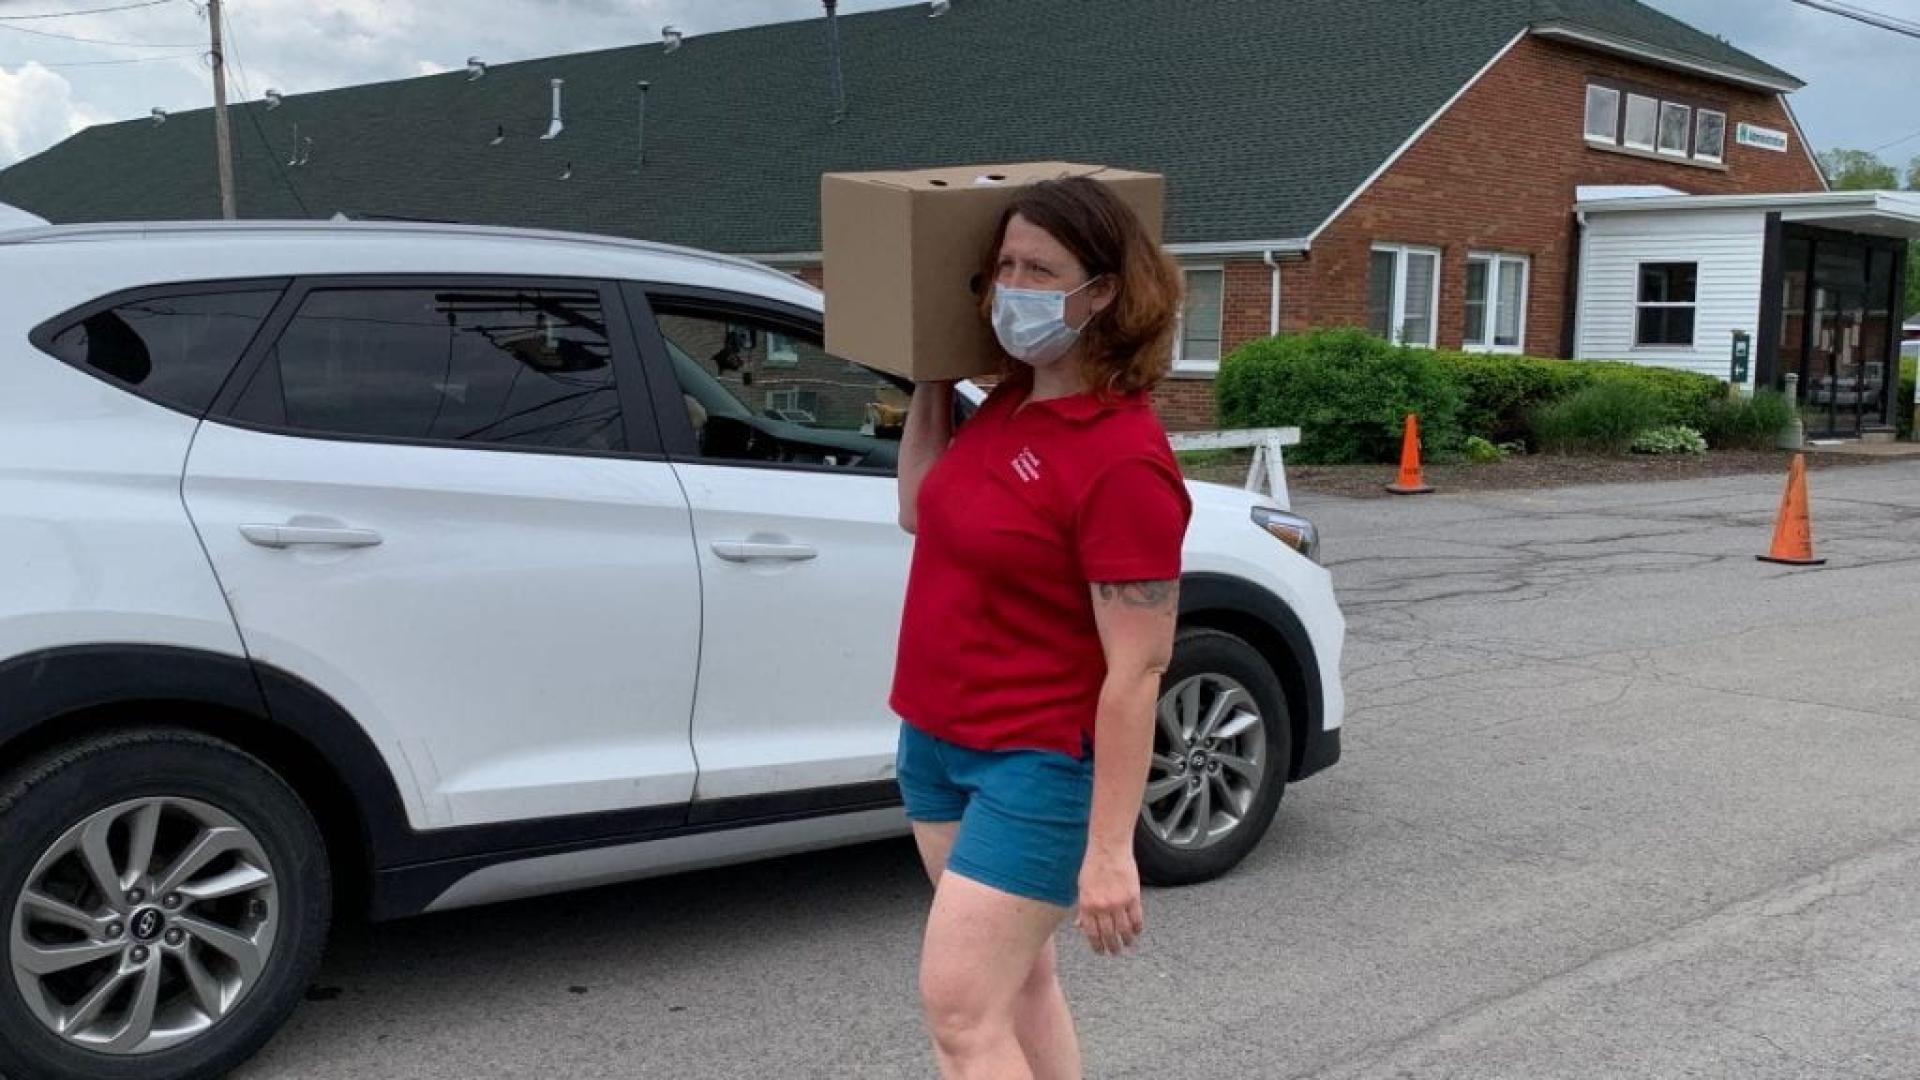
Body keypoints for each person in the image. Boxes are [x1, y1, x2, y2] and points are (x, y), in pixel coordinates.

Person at [891, 177, 1191, 1080]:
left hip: (1035, 765)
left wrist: (1110, 850)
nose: (1012, 287)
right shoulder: (1010, 403)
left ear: (1102, 292)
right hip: (935, 741)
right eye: (1004, 267)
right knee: (1021, 982)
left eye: (1039, 270)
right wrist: (932, 379)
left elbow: (1139, 670)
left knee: (961, 1014)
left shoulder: (1123, 460)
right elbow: (919, 509)